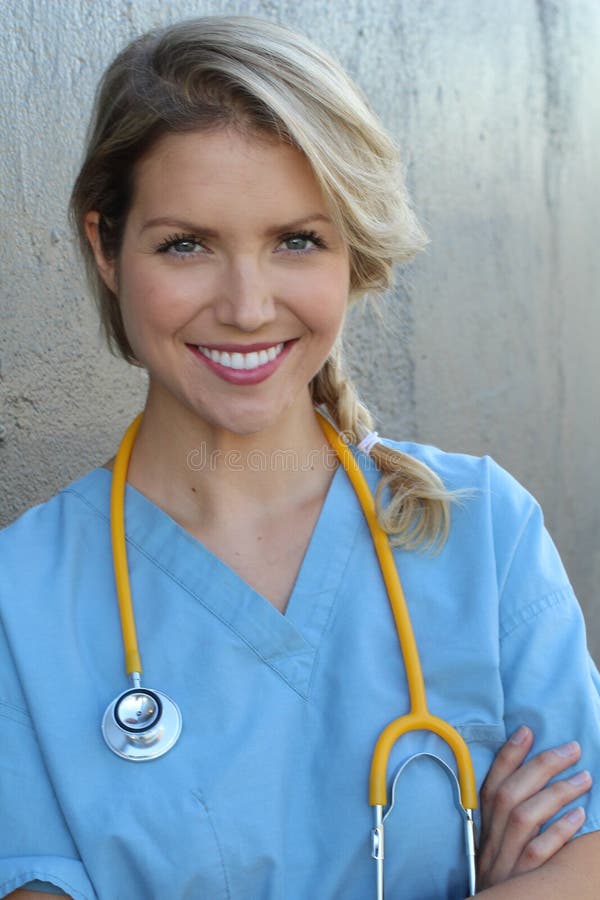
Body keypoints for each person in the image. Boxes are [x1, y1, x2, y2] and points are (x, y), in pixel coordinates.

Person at [0, 15, 598, 900]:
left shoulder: (482, 532)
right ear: (105, 248)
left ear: (351, 248)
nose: (247, 307)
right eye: (186, 244)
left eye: (297, 240)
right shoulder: (22, 600)